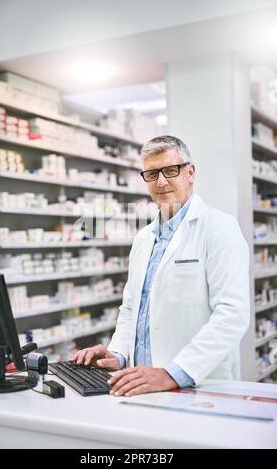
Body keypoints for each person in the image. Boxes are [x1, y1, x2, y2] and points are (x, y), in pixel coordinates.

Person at [71, 135, 250, 397]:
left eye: (170, 170)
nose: (161, 182)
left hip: (197, 386)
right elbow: (132, 308)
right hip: (139, 384)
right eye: (152, 173)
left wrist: (173, 373)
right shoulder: (143, 238)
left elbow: (232, 314)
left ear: (190, 172)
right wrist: (118, 354)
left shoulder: (219, 228)